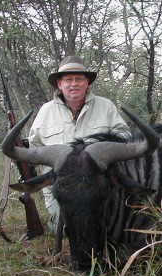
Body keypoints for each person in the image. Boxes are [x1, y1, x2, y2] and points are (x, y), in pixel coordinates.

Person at [28, 55, 131, 234]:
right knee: (65, 231)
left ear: (86, 83)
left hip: (98, 183)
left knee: (106, 228)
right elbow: (35, 147)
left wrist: (99, 151)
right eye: (68, 79)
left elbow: (124, 137)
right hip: (62, 186)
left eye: (79, 79)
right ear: (60, 84)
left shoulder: (105, 106)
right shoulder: (46, 111)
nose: (74, 84)